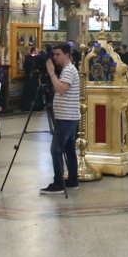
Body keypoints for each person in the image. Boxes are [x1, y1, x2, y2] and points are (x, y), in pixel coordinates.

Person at [42, 43, 81, 194]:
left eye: (58, 54)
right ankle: (72, 180)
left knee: (56, 150)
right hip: (68, 115)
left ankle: (58, 183)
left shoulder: (69, 70)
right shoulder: (67, 70)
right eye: (54, 54)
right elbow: (58, 89)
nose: (55, 57)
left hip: (66, 117)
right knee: (69, 149)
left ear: (67, 55)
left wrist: (52, 74)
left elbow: (62, 89)